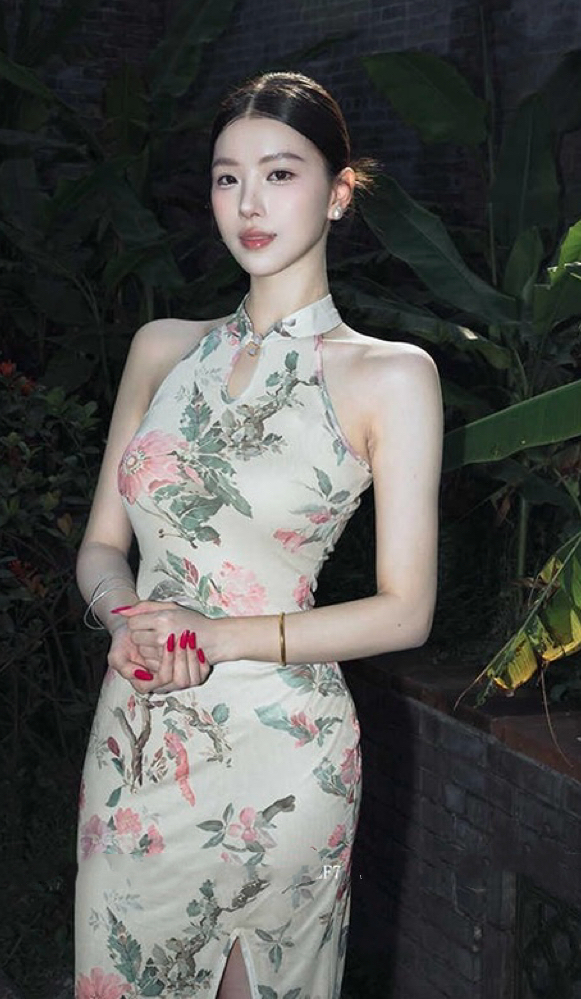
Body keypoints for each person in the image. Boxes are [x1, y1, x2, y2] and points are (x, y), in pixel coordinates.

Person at [74, 70, 442, 999]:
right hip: (138, 734)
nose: (248, 203)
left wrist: (215, 638)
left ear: (339, 192)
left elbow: (404, 612)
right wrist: (124, 619)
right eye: (226, 177)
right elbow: (102, 547)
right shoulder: (163, 348)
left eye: (280, 174)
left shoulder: (390, 376)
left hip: (281, 750)